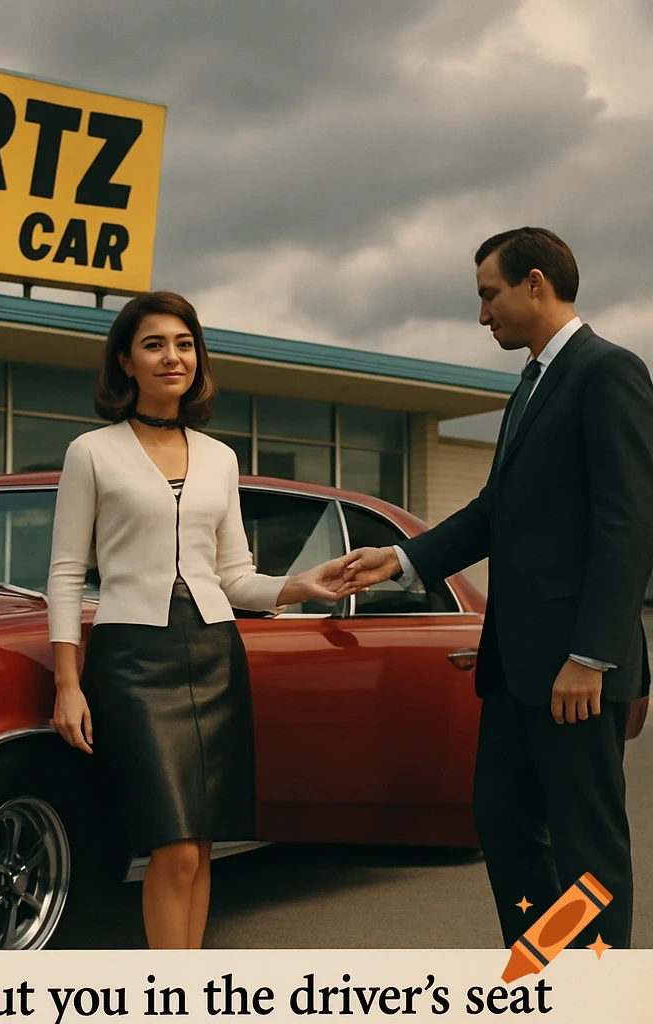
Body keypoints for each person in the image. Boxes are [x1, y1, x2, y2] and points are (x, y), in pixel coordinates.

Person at [343, 227, 653, 951]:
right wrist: (403, 558)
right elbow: (494, 511)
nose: (484, 315)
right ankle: (542, 966)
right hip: (515, 670)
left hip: (575, 668)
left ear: (536, 283)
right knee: (504, 823)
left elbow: (629, 525)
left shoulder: (608, 373)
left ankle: (597, 991)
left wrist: (594, 656)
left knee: (588, 849)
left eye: (490, 295)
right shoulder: (530, 386)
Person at [46, 290, 365, 949]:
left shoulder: (221, 457)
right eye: (155, 344)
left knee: (200, 847)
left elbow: (233, 575)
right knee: (171, 846)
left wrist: (303, 583)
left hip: (216, 654)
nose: (173, 356)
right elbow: (66, 571)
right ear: (125, 361)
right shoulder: (91, 452)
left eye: (184, 343)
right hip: (132, 659)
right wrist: (67, 682)